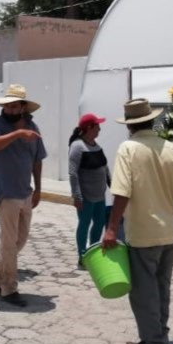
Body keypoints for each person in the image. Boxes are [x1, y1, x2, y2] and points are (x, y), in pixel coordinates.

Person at [102, 98, 173, 344]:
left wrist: (111, 228)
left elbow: (121, 192)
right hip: (167, 234)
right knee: (161, 289)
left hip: (142, 234)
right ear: (152, 121)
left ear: (130, 125)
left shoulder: (128, 149)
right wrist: (170, 213)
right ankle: (155, 338)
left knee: (144, 293)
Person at [0, 84, 47, 307]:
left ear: (22, 107)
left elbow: (37, 160)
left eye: (14, 106)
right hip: (5, 192)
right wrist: (18, 133)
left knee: (19, 240)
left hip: (25, 192)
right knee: (9, 242)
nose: (9, 110)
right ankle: (8, 289)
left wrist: (38, 189)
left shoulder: (33, 127)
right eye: (7, 106)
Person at [68, 113, 109, 268]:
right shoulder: (78, 146)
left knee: (99, 224)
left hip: (100, 195)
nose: (99, 129)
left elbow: (105, 167)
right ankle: (82, 255)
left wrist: (112, 183)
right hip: (86, 196)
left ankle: (93, 252)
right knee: (84, 224)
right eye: (97, 126)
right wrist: (76, 195)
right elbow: (73, 172)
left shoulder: (96, 146)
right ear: (89, 128)